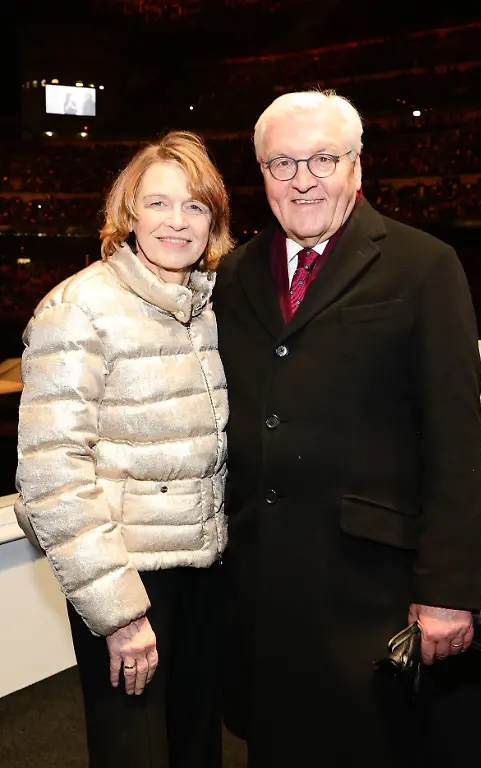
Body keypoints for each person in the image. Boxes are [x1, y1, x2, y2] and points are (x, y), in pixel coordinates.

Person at [213, 91, 481, 767]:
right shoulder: (235, 272)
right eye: (282, 164)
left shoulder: (423, 265)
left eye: (322, 159)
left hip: (369, 588)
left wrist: (447, 590)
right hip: (258, 584)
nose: (302, 180)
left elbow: (454, 442)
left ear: (356, 166)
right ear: (262, 173)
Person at [15, 131, 232, 768]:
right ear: (128, 211)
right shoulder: (77, 309)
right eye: (158, 203)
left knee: (197, 749)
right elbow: (52, 477)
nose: (177, 221)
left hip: (203, 572)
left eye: (195, 206)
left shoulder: (206, 308)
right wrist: (119, 614)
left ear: (213, 221)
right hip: (129, 578)